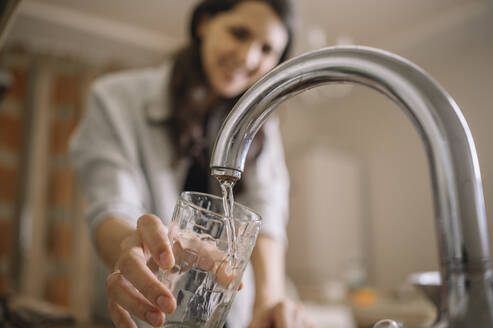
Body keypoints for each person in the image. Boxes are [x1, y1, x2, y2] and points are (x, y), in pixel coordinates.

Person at [70, 0, 311, 327]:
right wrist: (131, 243)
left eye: (267, 49)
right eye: (238, 33)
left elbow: (265, 211)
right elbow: (111, 205)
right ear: (204, 22)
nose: (248, 57)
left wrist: (267, 301)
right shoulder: (116, 99)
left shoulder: (260, 126)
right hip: (141, 316)